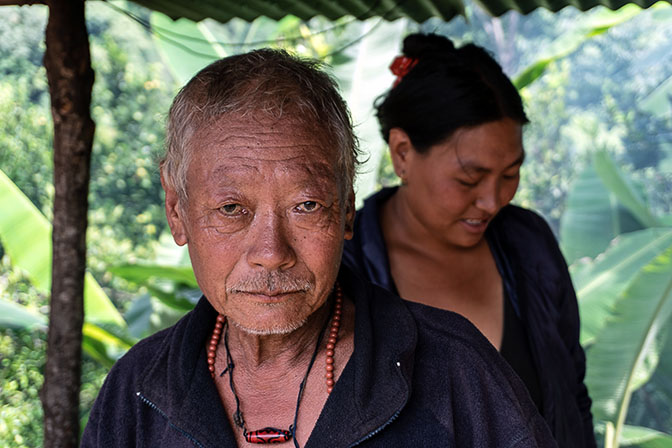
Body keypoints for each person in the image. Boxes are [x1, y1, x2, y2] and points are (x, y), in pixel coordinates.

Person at [81, 48, 557, 448]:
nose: (270, 251)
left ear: (347, 208)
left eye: (306, 205)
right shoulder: (135, 394)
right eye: (230, 208)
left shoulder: (457, 372)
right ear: (176, 208)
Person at [343, 33, 596, 448]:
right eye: (469, 178)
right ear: (402, 152)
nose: (493, 200)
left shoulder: (528, 244)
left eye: (510, 174)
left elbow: (573, 397)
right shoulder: (347, 271)